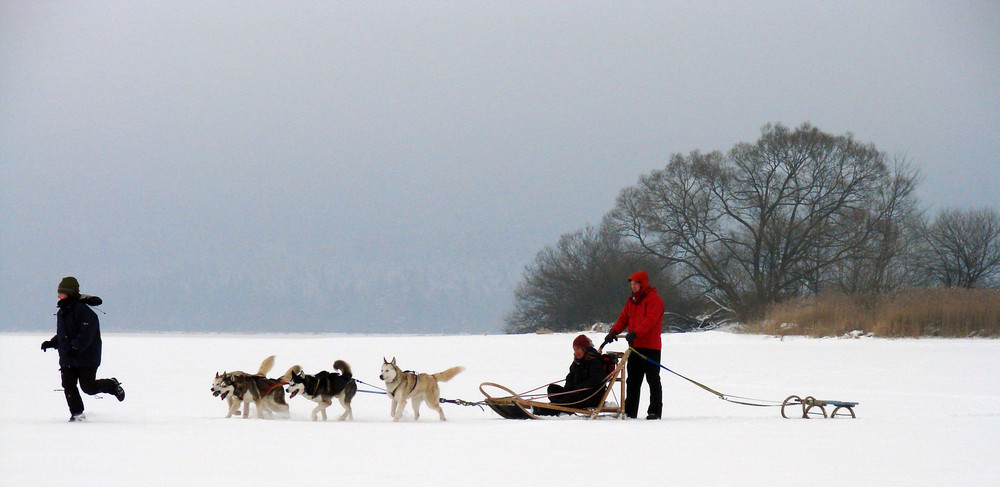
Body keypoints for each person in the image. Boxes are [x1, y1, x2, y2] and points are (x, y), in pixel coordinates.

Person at [41, 277, 125, 422]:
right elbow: (65, 334)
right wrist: (52, 343)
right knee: (68, 384)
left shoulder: (84, 311)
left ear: (68, 293)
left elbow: (87, 333)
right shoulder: (63, 311)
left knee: (88, 388)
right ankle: (77, 414)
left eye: (60, 292)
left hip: (87, 357)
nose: (58, 296)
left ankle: (111, 384)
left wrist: (76, 347)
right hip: (68, 356)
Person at [604, 270, 664, 419]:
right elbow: (623, 319)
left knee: (653, 380)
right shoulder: (631, 302)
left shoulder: (654, 300)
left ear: (642, 284)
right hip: (635, 347)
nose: (633, 286)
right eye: (632, 284)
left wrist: (636, 333)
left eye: (636, 284)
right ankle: (630, 411)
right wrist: (613, 332)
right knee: (633, 381)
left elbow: (650, 321)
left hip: (651, 348)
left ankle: (654, 411)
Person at [533, 334, 608, 416]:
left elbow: (594, 382)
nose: (576, 352)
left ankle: (546, 410)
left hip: (591, 396)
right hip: (576, 393)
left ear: (585, 349)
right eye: (574, 349)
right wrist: (567, 391)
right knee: (552, 389)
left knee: (570, 398)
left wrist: (575, 391)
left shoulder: (595, 362)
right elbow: (570, 378)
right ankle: (561, 405)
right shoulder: (577, 362)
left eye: (578, 349)